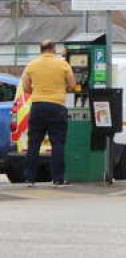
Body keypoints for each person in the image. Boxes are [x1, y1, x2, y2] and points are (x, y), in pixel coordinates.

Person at [21, 40, 76, 185]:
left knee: (33, 143)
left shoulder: (32, 65)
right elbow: (72, 85)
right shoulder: (63, 64)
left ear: (41, 50)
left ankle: (30, 178)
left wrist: (39, 92)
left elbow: (26, 87)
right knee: (57, 143)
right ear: (53, 49)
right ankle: (58, 179)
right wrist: (61, 90)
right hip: (57, 106)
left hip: (38, 106)